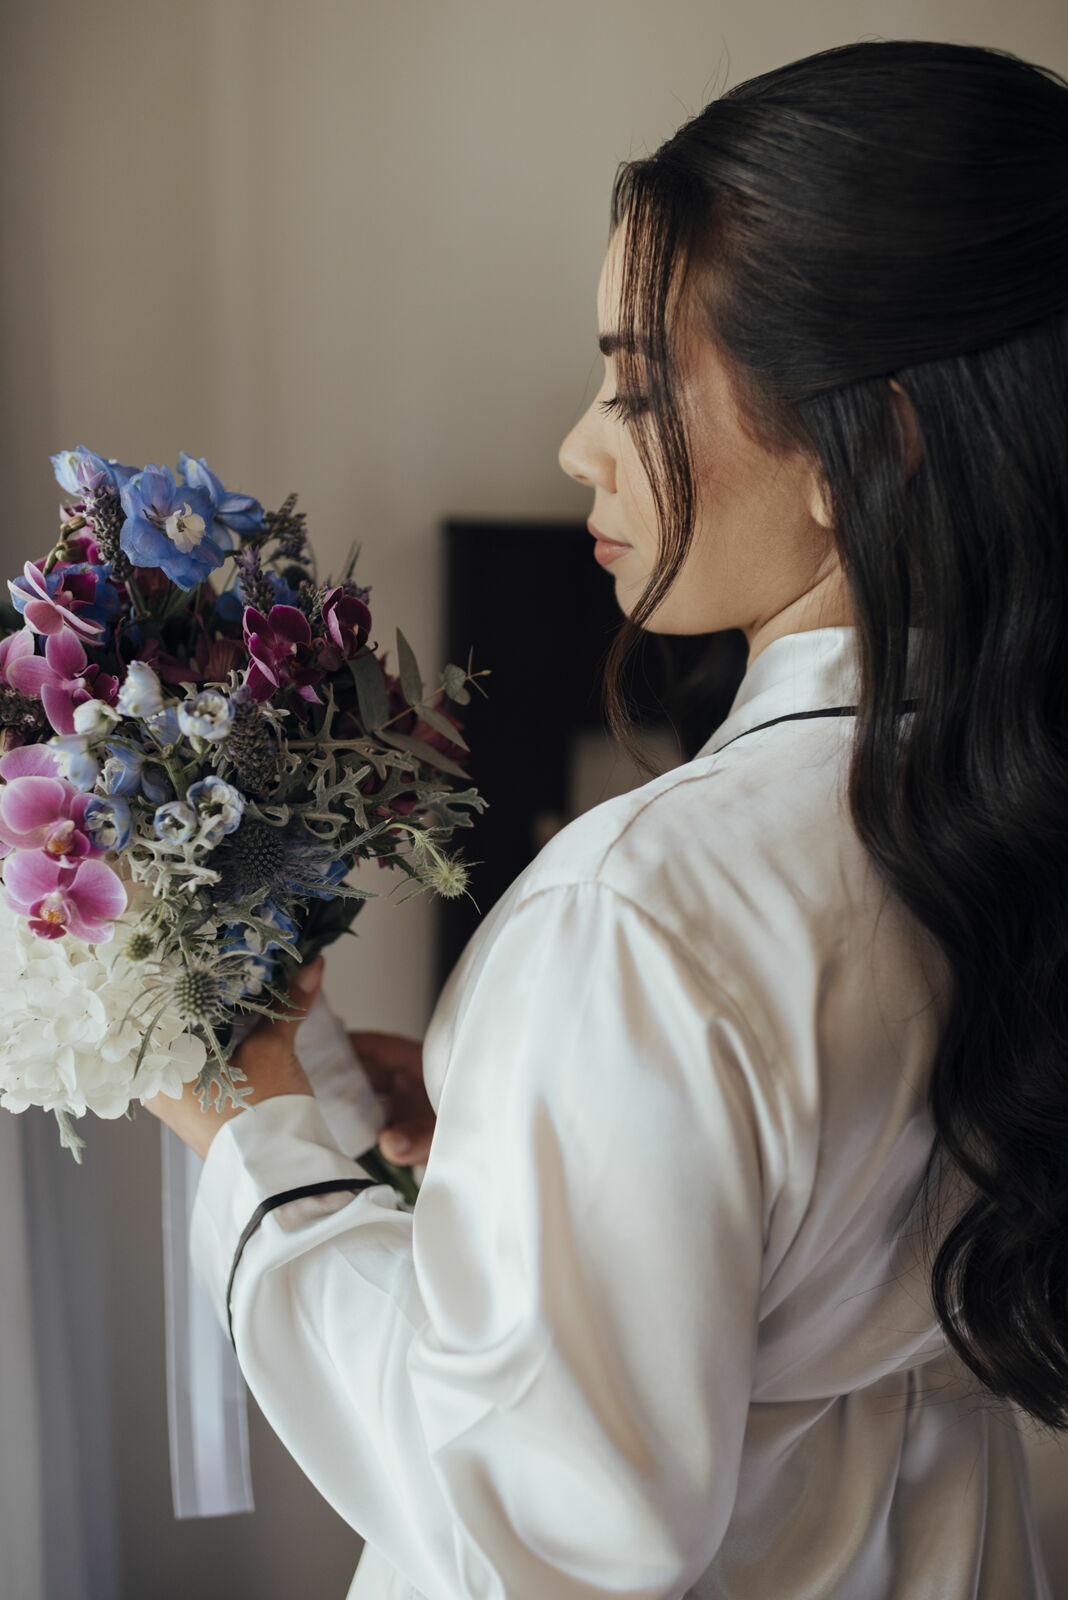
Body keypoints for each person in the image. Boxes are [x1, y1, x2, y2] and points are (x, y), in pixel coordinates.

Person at [144, 37, 1068, 1598]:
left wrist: (255, 1140)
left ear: (873, 440)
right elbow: (817, 1256)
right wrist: (521, 1146)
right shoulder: (999, 825)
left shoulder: (641, 913)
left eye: (635, 384)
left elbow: (532, 1525)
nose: (581, 443)